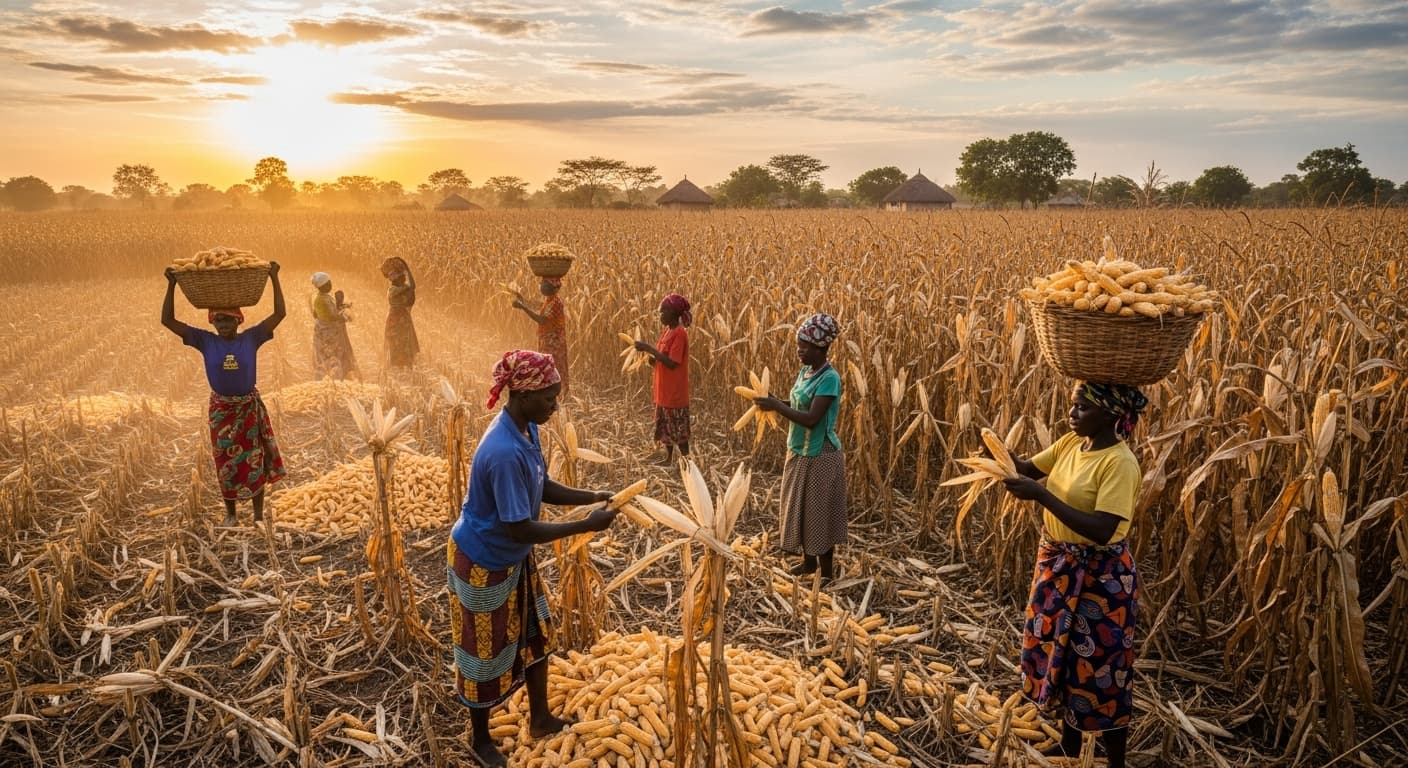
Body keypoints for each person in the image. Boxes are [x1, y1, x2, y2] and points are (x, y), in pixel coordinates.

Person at [448, 350, 618, 768]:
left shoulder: (526, 427)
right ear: (522, 395)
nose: (555, 406)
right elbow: (519, 528)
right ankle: (481, 740)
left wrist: (590, 497)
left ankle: (540, 718)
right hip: (485, 559)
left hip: (513, 556)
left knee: (535, 634)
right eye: (548, 398)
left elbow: (541, 486)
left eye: (556, 396)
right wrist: (585, 526)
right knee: (484, 653)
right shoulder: (503, 450)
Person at [996, 381, 1146, 768]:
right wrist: (997, 453)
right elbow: (1028, 469)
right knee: (1060, 659)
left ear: (1111, 415)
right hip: (1058, 566)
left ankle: (1116, 761)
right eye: (1073, 405)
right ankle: (1068, 746)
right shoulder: (1069, 444)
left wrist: (1042, 495)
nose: (1072, 413)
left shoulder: (1120, 463)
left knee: (1101, 670)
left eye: (1082, 408)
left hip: (1101, 579)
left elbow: (1101, 528)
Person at [161, 262, 287, 526]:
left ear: (238, 320)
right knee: (224, 459)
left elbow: (279, 313)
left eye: (228, 319)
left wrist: (274, 278)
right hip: (222, 411)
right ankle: (230, 513)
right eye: (218, 319)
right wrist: (171, 284)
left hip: (246, 407)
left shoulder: (251, 338)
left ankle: (257, 514)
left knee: (254, 458)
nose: (223, 325)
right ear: (212, 321)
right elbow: (168, 321)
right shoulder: (205, 340)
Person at [754, 313, 847, 582]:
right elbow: (798, 405)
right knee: (801, 510)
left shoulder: (830, 379)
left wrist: (777, 407)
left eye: (804, 347)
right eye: (799, 345)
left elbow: (811, 418)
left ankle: (827, 574)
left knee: (820, 515)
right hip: (798, 450)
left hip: (821, 455)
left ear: (821, 348)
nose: (799, 351)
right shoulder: (805, 371)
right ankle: (808, 565)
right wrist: (774, 401)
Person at [633, 293, 691, 463]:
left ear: (674, 314)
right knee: (666, 425)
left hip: (674, 390)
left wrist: (649, 349)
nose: (660, 316)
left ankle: (687, 461)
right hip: (663, 388)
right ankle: (669, 458)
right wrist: (652, 359)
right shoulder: (667, 331)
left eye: (663, 312)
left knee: (678, 427)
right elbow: (662, 358)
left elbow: (673, 363)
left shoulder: (680, 334)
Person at [513, 276, 568, 395]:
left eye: (545, 284)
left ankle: (556, 392)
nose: (542, 286)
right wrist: (522, 300)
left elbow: (542, 320)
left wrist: (523, 307)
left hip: (554, 342)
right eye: (542, 283)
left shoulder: (556, 304)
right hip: (548, 340)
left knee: (553, 365)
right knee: (549, 365)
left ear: (554, 287)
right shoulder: (550, 300)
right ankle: (550, 391)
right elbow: (537, 305)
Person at [310, 271, 357, 380]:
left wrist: (341, 305)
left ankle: (336, 374)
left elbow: (318, 313)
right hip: (327, 333)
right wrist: (343, 316)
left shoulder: (325, 297)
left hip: (328, 330)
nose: (331, 284)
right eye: (328, 283)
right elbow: (331, 316)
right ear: (323, 285)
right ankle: (332, 376)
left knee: (332, 353)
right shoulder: (320, 300)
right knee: (331, 353)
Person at [382, 257, 419, 368]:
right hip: (397, 318)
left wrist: (407, 269)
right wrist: (406, 269)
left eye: (394, 274)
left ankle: (405, 365)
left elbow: (412, 288)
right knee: (395, 341)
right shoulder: (393, 289)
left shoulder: (403, 287)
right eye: (390, 275)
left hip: (401, 318)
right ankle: (397, 366)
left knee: (404, 341)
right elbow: (412, 287)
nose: (391, 277)